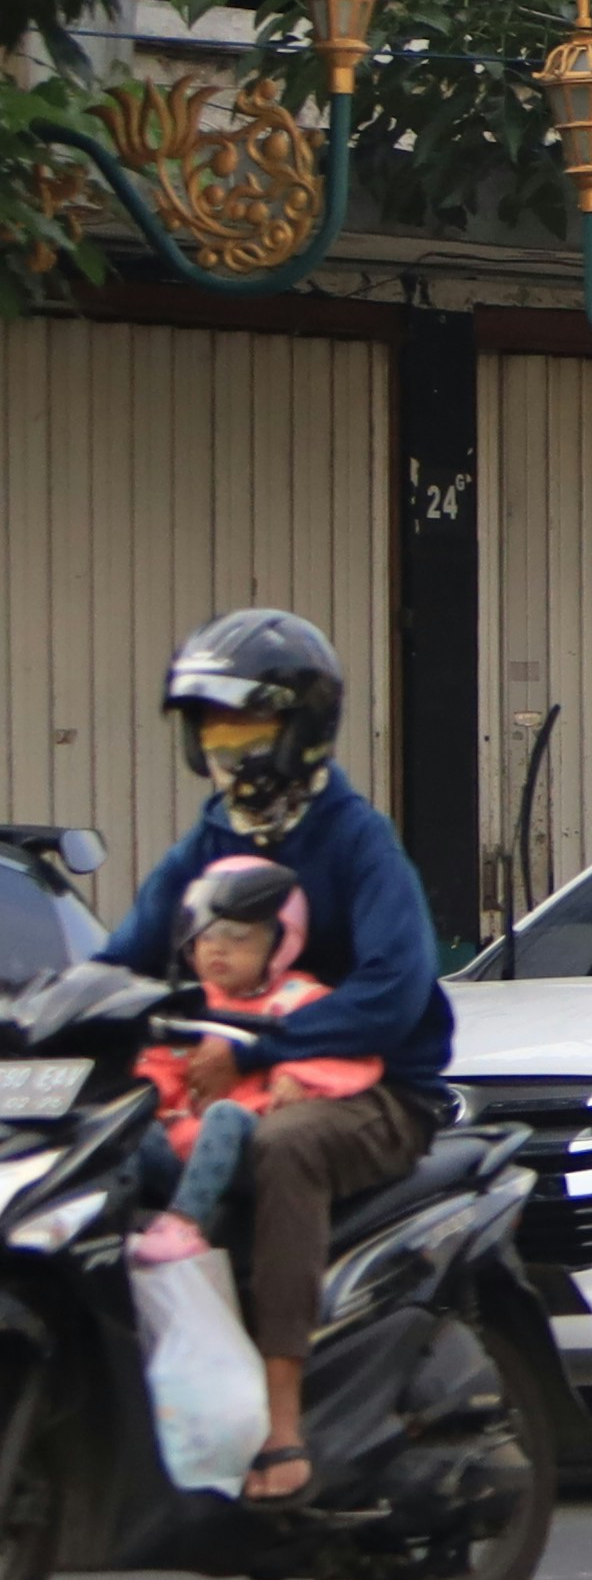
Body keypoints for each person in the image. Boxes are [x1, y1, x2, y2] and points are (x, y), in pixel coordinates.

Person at [97, 611, 454, 1507]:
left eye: (245, 728)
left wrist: (262, 1043)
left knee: (282, 1146)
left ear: (300, 728)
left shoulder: (356, 840)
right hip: (222, 1088)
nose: (227, 749)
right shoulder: (211, 841)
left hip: (369, 1095)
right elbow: (127, 958)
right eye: (212, 730)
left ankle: (283, 1417)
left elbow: (394, 990)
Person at [128, 853, 367, 1267]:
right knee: (124, 1123)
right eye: (208, 936)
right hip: (182, 1146)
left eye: (238, 936)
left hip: (253, 1154)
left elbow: (346, 1050)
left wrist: (296, 1075)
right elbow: (157, 1066)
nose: (219, 948)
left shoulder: (300, 1000)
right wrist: (156, 1099)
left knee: (225, 1115)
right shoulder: (189, 1006)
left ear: (279, 941)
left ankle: (184, 1226)